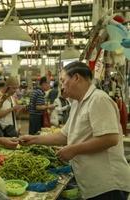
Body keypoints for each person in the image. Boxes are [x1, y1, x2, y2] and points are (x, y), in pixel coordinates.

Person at [20, 61, 130, 200]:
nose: (62, 86)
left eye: (63, 81)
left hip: (108, 185)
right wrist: (33, 139)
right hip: (92, 183)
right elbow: (64, 135)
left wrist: (74, 149)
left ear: (76, 78)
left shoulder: (98, 100)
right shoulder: (77, 103)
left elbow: (110, 138)